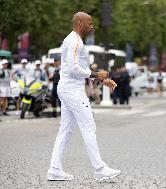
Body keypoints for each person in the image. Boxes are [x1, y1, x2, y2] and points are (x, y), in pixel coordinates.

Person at [47, 12, 121, 181]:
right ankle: (100, 169)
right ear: (79, 22)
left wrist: (103, 79)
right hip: (72, 91)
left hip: (69, 89)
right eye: (90, 23)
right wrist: (97, 74)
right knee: (88, 126)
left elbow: (77, 68)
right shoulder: (74, 41)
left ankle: (54, 169)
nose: (92, 26)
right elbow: (73, 68)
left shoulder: (75, 40)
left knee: (65, 131)